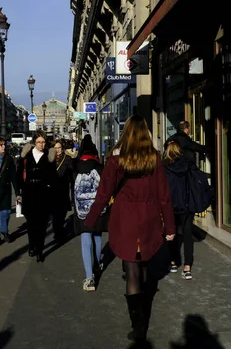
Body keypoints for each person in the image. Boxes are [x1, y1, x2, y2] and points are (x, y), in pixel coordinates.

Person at [84, 114, 176, 343]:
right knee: (144, 265)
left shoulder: (116, 160)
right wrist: (170, 226)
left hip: (124, 219)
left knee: (131, 269)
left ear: (126, 133)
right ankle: (143, 313)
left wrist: (90, 220)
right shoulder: (154, 159)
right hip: (149, 218)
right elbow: (164, 196)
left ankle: (138, 326)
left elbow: (104, 193)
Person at [17, 131, 57, 263]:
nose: (42, 144)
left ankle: (39, 250)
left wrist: (50, 187)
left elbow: (53, 177)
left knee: (42, 224)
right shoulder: (26, 156)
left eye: (44, 142)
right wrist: (19, 192)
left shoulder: (49, 156)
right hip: (28, 192)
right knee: (31, 223)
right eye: (39, 142)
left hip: (43, 193)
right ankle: (32, 244)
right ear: (34, 142)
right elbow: (18, 174)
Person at [72, 135, 105, 291]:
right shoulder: (99, 167)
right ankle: (97, 265)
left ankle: (89, 277)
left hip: (81, 210)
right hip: (97, 209)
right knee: (97, 236)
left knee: (86, 240)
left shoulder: (75, 166)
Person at [163, 140, 195, 280]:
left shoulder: (164, 168)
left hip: (170, 206)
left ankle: (173, 261)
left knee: (171, 233)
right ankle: (187, 267)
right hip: (186, 204)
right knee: (188, 235)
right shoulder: (187, 165)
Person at [51, 138, 73, 242]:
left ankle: (59, 229)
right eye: (55, 148)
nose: (58, 150)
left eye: (59, 148)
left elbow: (72, 170)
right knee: (55, 212)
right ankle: (57, 231)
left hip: (64, 188)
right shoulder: (49, 158)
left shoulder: (67, 158)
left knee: (62, 211)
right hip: (53, 189)